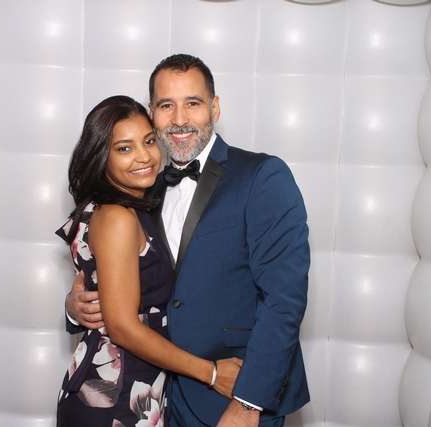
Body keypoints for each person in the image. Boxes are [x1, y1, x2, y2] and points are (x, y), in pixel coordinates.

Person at [66, 55, 311, 427]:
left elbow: (284, 301)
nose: (179, 119)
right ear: (152, 112)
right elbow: (129, 283)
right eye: (167, 105)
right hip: (155, 396)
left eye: (192, 103)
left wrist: (249, 403)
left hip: (231, 392)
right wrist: (75, 307)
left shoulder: (261, 177)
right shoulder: (143, 189)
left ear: (214, 108)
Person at [55, 95, 242, 427]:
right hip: (115, 395)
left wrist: (74, 306)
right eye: (124, 148)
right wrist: (212, 373)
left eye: (149, 141)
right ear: (101, 156)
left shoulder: (124, 205)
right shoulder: (117, 217)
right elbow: (122, 328)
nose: (144, 156)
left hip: (132, 388)